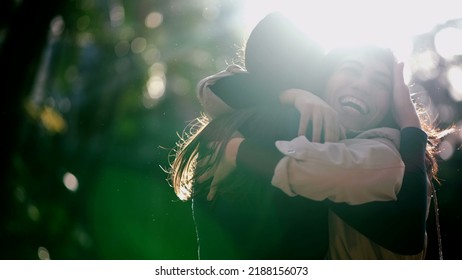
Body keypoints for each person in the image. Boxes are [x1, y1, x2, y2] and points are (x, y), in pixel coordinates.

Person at [168, 12, 450, 259]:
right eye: (350, 70)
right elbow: (407, 231)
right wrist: (412, 129)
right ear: (322, 79)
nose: (361, 85)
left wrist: (291, 99)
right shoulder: (302, 126)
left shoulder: (228, 123)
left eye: (378, 82)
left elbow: (215, 86)